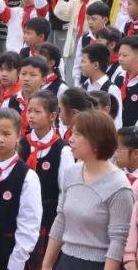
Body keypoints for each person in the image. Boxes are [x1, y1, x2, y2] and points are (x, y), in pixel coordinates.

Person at [43, 110, 134, 270]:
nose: (70, 139)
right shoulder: (71, 173)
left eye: (77, 135)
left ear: (96, 141)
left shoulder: (119, 186)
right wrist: (47, 265)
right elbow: (61, 219)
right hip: (65, 260)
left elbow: (118, 241)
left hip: (98, 264)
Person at [0, 108, 41, 270]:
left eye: (6, 134)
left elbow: (29, 224)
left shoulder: (27, 176)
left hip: (8, 252)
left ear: (18, 136)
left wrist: (16, 262)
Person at [21, 90, 74, 270]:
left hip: (47, 218)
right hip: (21, 215)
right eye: (29, 111)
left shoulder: (62, 150)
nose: (31, 116)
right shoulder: (21, 144)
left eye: (37, 112)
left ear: (52, 115)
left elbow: (64, 191)